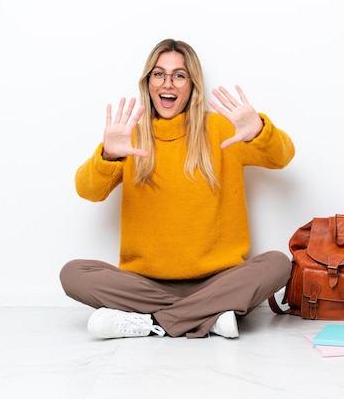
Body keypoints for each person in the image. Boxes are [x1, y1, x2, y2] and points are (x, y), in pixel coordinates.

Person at [59, 38, 295, 339]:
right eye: (158, 74)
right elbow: (88, 190)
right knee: (73, 274)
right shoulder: (128, 137)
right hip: (145, 285)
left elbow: (282, 157)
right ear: (148, 83)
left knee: (277, 264)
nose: (167, 83)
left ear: (192, 84)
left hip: (219, 280)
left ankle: (152, 323)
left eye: (179, 75)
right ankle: (209, 316)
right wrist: (108, 155)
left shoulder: (222, 130)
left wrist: (261, 131)